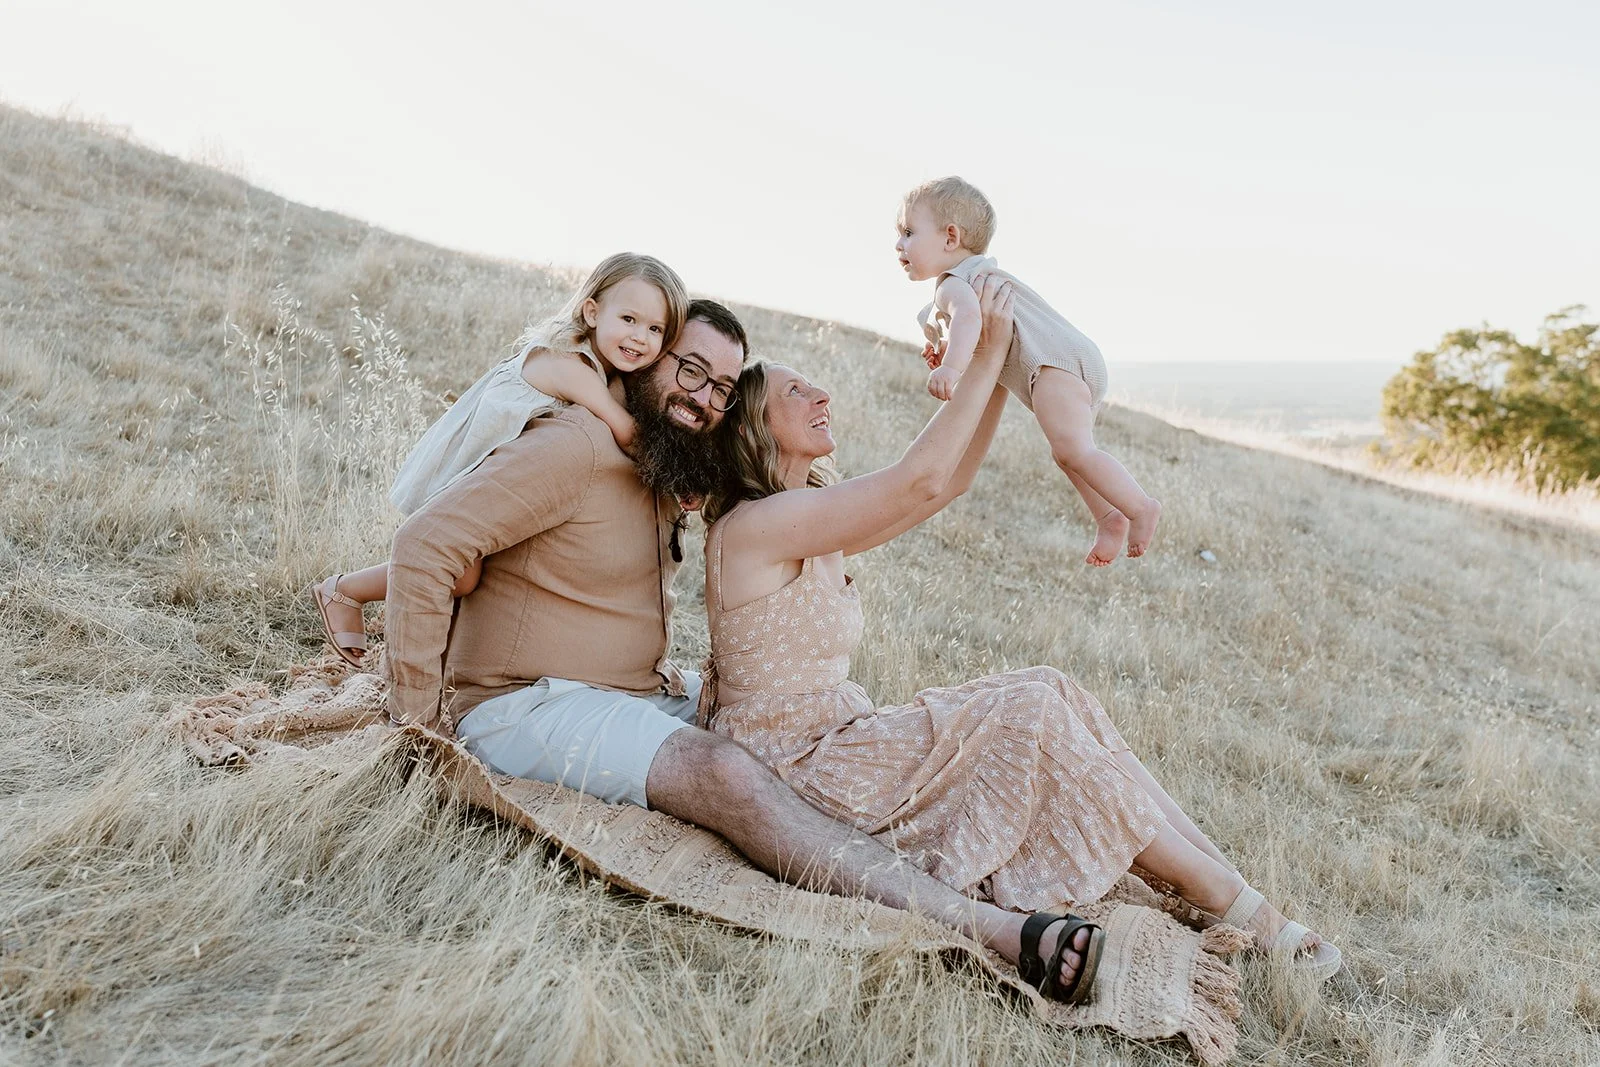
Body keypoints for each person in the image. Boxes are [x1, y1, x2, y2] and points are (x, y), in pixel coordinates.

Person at [375, 291, 1112, 1004]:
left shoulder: (659, 463)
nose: (701, 396)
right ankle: (995, 930)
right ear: (651, 359)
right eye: (689, 369)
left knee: (775, 727)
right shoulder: (575, 444)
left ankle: (926, 836)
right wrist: (418, 731)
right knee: (726, 768)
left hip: (622, 694)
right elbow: (427, 543)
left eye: (722, 386)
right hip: (523, 704)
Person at [698, 276, 1342, 990]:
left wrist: (1002, 372)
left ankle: (1226, 885)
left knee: (1046, 687)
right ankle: (1239, 905)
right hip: (798, 768)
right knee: (1029, 716)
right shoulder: (755, 526)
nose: (822, 394)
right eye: (796, 392)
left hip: (838, 740)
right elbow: (919, 478)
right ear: (753, 428)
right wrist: (986, 351)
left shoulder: (806, 511)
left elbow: (945, 485)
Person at [308, 252, 689, 665]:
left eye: (655, 329)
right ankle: (345, 591)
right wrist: (683, 478)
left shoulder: (605, 366)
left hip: (500, 472)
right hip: (472, 464)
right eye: (629, 320)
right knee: (461, 574)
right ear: (592, 312)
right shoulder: (569, 363)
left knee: (473, 577)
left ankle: (435, 643)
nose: (640, 337)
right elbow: (626, 431)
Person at [895, 176, 1161, 567]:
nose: (898, 245)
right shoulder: (980, 274)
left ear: (950, 237)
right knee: (1067, 453)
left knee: (1075, 449)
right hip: (1069, 360)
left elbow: (969, 317)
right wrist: (952, 351)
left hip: (1051, 365)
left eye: (908, 232)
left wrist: (951, 368)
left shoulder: (952, 285)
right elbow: (981, 331)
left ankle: (1141, 506)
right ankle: (1109, 516)